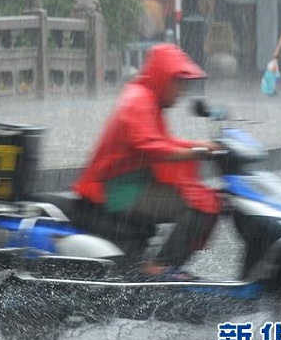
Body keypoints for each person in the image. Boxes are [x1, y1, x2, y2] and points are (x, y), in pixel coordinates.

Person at [71, 44, 221, 282]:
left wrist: (200, 145)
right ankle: (162, 270)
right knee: (197, 205)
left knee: (204, 197)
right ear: (163, 77)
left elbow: (163, 141)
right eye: (178, 82)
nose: (181, 91)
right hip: (118, 190)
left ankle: (158, 266)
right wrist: (199, 150)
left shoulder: (147, 97)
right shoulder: (138, 101)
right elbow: (150, 145)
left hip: (133, 184)